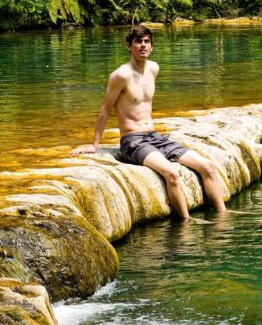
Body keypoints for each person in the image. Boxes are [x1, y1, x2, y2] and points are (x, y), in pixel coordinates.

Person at [71, 24, 226, 220]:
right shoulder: (121, 75)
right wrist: (95, 145)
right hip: (133, 141)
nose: (143, 46)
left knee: (208, 167)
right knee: (172, 174)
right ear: (129, 46)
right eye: (138, 42)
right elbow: (104, 109)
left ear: (151, 47)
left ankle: (223, 218)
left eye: (146, 42)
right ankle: (186, 223)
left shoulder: (153, 69)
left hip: (155, 137)